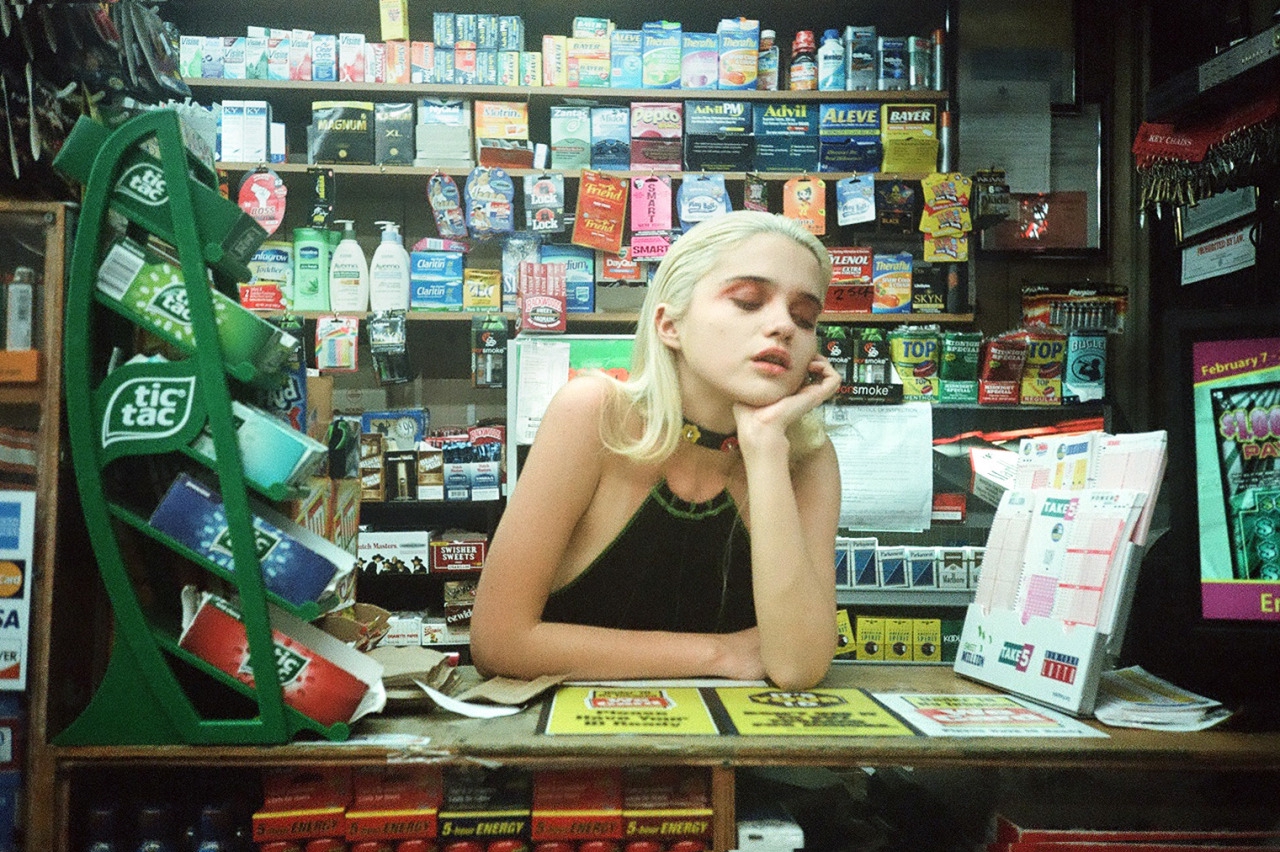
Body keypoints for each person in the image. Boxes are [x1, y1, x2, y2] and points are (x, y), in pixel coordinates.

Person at [470, 210, 842, 690]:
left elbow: (798, 667)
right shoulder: (594, 414)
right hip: (573, 736)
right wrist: (722, 653)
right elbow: (498, 642)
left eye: (804, 316)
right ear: (669, 325)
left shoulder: (807, 458)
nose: (783, 327)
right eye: (749, 301)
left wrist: (765, 443)